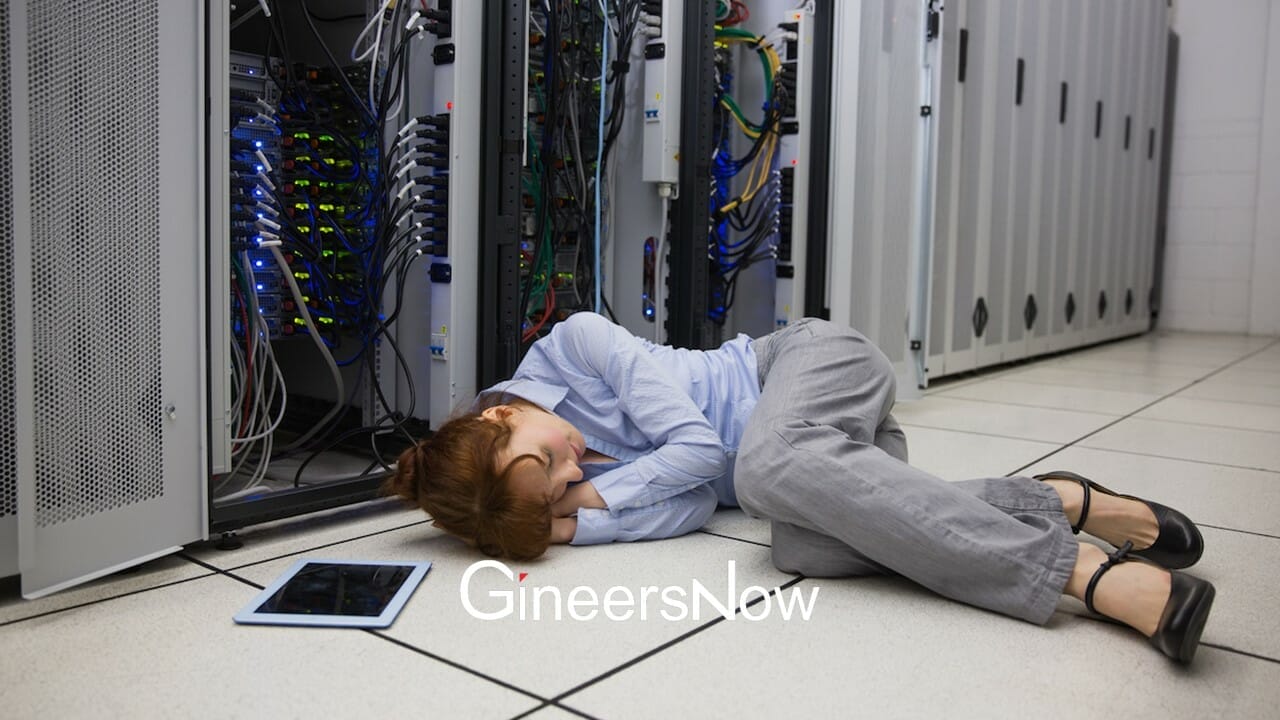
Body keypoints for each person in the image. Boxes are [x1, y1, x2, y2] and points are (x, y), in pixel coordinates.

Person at [387, 312, 1215, 663]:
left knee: (760, 467)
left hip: (813, 363)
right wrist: (571, 523)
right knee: (800, 547)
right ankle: (1059, 499)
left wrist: (589, 500)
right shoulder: (550, 484)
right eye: (562, 487)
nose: (574, 470)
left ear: (496, 421)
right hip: (826, 471)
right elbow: (684, 504)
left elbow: (705, 454)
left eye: (549, 461)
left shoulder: (577, 342)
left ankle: (1078, 572)